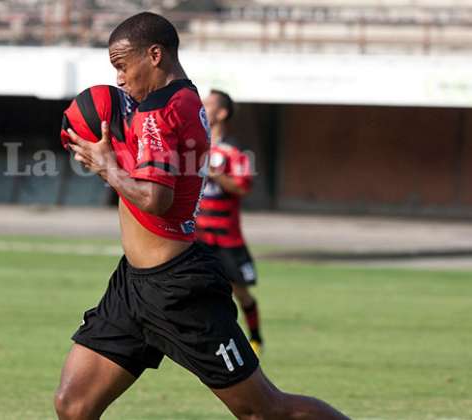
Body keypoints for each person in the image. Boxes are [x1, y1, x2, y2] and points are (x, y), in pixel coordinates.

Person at [55, 12, 349, 420]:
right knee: (74, 405)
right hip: (132, 286)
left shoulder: (162, 111)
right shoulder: (172, 102)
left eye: (122, 66)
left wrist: (106, 166)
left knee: (264, 410)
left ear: (154, 55)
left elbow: (155, 199)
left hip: (178, 290)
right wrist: (107, 153)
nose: (119, 79)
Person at [196, 90, 263, 355]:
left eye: (207, 104)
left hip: (227, 238)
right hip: (198, 237)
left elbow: (242, 187)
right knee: (196, 291)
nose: (201, 107)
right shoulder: (192, 148)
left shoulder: (235, 153)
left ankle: (256, 338)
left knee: (241, 293)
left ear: (221, 113)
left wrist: (216, 174)